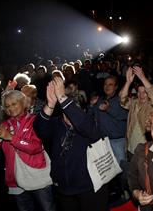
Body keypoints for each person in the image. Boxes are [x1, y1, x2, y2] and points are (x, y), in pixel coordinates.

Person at [33, 76, 109, 211]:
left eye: (73, 111)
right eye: (65, 113)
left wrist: (62, 97)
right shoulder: (57, 124)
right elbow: (40, 130)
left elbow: (82, 123)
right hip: (64, 189)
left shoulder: (90, 124)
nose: (69, 116)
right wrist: (51, 104)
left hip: (90, 188)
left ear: (83, 111)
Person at [0, 90, 56, 211]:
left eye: (14, 104)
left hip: (36, 174)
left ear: (23, 103)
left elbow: (35, 147)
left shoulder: (35, 120)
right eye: (7, 106)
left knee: (47, 208)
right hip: (14, 179)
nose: (10, 108)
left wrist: (11, 138)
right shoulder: (4, 125)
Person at [119, 65, 153, 160]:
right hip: (131, 148)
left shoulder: (152, 105)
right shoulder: (133, 103)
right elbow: (122, 100)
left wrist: (142, 77)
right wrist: (128, 82)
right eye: (139, 92)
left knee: (146, 174)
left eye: (144, 92)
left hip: (147, 149)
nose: (141, 95)